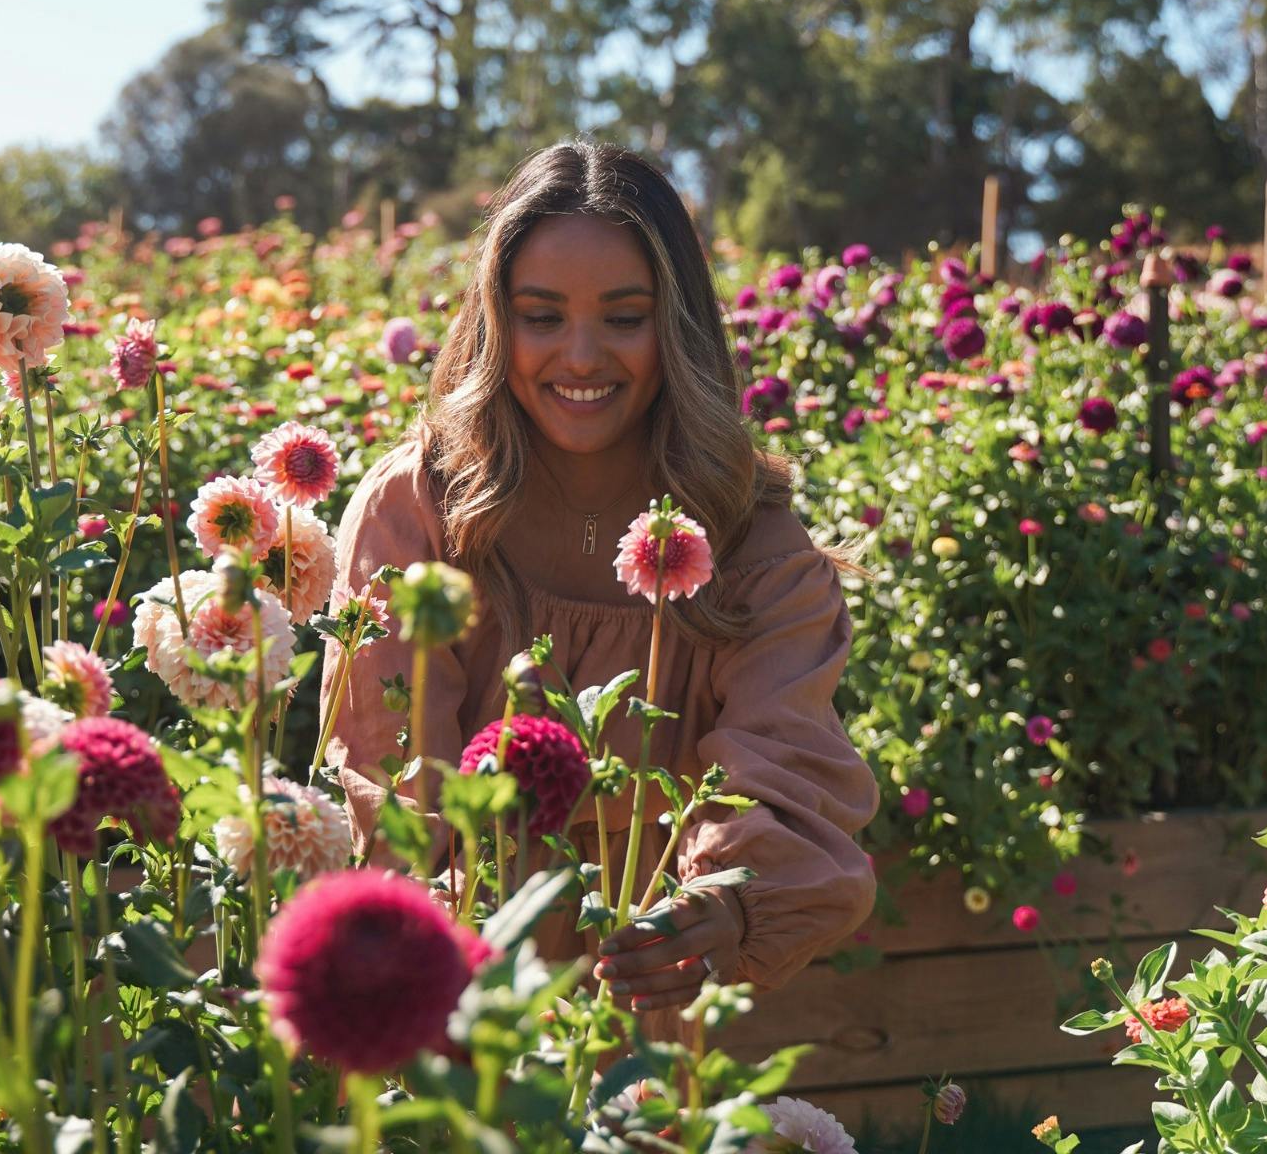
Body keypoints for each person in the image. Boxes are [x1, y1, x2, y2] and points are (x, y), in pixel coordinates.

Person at [320, 138, 879, 1049]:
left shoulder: (748, 535)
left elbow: (788, 766)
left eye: (625, 318)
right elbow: (387, 768)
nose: (581, 356)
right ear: (497, 321)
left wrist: (724, 905)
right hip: (449, 994)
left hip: (637, 1004)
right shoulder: (420, 507)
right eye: (542, 316)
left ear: (679, 327)